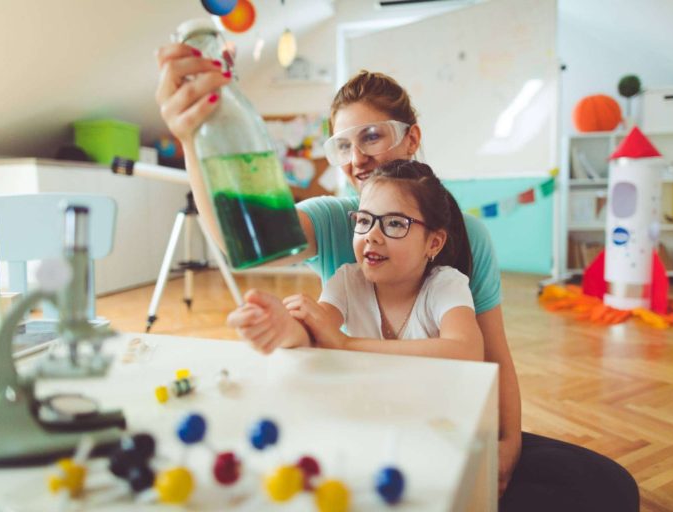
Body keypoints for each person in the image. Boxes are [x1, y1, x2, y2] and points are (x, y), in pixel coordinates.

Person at [155, 45, 639, 511]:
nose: (356, 159)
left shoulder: (463, 244)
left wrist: (506, 445)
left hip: (441, 412)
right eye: (343, 145)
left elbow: (492, 354)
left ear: (412, 138)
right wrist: (194, 137)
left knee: (606, 486)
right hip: (361, 415)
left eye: (371, 137)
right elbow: (247, 247)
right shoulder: (340, 227)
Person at [227, 159, 484, 365]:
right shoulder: (348, 280)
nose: (372, 235)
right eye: (364, 220)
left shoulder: (445, 285)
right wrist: (282, 326)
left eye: (395, 223)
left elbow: (467, 351)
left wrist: (345, 344)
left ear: (434, 243)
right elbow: (314, 333)